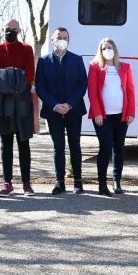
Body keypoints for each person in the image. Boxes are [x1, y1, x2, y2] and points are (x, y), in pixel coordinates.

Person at [35, 27, 89, 195]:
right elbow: (40, 87)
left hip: (74, 110)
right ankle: (59, 182)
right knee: (58, 147)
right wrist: (55, 105)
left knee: (75, 145)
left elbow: (82, 85)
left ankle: (78, 182)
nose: (62, 40)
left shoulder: (76, 60)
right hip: (53, 112)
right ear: (52, 40)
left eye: (65, 37)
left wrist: (70, 104)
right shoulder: (43, 62)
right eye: (59, 37)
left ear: (68, 40)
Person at [0, 19, 36, 197]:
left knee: (24, 143)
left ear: (20, 30)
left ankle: (26, 183)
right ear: (3, 30)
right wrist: (15, 73)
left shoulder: (27, 48)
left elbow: (29, 75)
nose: (11, 32)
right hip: (4, 103)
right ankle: (7, 183)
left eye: (14, 29)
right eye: (8, 29)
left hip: (22, 101)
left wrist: (3, 73)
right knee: (6, 144)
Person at [87, 38, 136, 196]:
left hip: (121, 116)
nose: (107, 50)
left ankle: (117, 181)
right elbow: (92, 92)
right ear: (100, 51)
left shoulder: (125, 67)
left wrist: (131, 112)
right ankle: (102, 184)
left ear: (114, 49)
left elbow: (130, 91)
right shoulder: (95, 67)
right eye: (103, 48)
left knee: (119, 149)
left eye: (109, 47)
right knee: (106, 147)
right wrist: (97, 112)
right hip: (103, 116)